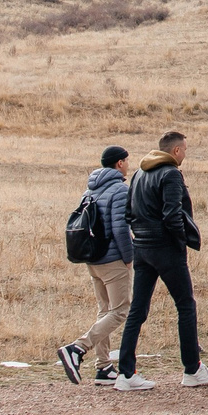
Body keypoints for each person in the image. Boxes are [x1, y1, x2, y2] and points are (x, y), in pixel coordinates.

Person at [118, 130, 208, 394]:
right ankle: (192, 369)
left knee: (138, 309)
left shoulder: (139, 174)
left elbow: (128, 212)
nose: (185, 154)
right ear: (176, 151)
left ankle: (126, 373)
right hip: (166, 248)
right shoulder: (171, 174)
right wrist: (180, 241)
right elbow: (172, 214)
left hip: (141, 247)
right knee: (186, 306)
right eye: (185, 150)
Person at [58, 146, 134, 385]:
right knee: (120, 311)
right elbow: (121, 229)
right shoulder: (120, 190)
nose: (128, 164)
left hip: (93, 258)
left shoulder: (90, 189)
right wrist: (129, 257)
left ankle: (103, 367)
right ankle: (78, 348)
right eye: (126, 161)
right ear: (119, 163)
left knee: (105, 311)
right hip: (113, 260)